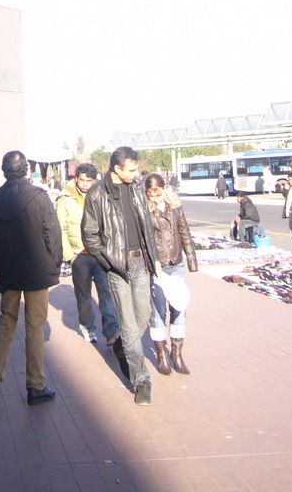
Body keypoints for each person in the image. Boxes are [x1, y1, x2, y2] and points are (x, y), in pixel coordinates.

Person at [0, 150, 62, 405]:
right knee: (35, 326)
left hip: (9, 271)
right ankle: (35, 385)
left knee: (6, 322)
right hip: (37, 270)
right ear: (26, 169)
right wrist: (54, 265)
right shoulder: (39, 197)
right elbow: (52, 234)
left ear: (4, 170)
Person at [81, 146, 160, 406]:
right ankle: (141, 381)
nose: (136, 174)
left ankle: (121, 347)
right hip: (117, 268)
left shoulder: (137, 187)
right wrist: (109, 263)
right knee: (127, 325)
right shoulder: (97, 194)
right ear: (116, 168)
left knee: (142, 317)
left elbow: (146, 224)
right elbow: (90, 235)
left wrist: (154, 258)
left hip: (141, 263)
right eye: (132, 169)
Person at [55, 163, 119, 345]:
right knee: (83, 296)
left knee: (107, 294)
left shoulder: (102, 195)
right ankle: (88, 328)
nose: (84, 184)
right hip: (79, 256)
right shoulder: (66, 199)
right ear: (76, 179)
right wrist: (70, 256)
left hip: (99, 254)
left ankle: (112, 331)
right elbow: (61, 228)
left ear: (94, 180)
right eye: (81, 180)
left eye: (88, 181)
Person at [144, 174, 198, 375]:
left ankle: (177, 354)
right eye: (151, 193)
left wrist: (192, 261)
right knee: (158, 311)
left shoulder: (175, 207)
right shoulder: (144, 211)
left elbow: (184, 232)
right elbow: (143, 241)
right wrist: (151, 262)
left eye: (158, 192)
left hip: (175, 263)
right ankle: (161, 355)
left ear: (164, 190)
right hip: (156, 267)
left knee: (180, 307)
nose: (155, 197)